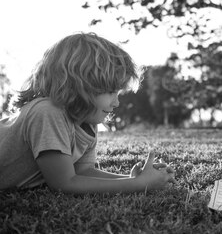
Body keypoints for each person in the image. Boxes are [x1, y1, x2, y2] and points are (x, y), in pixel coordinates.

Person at [0, 33, 175, 194]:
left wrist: (134, 179)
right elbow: (65, 183)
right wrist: (138, 185)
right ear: (80, 87)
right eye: (110, 92)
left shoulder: (87, 119)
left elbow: (82, 171)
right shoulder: (47, 112)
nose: (116, 102)